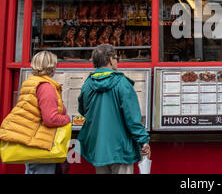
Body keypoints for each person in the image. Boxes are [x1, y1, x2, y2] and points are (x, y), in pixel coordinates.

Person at [77, 44, 151, 174]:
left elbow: (83, 110)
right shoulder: (122, 83)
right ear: (110, 59)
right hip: (121, 150)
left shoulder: (87, 84)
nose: (117, 61)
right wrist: (144, 141)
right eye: (116, 58)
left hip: (98, 149)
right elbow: (133, 118)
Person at [0, 51, 71, 174]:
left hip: (33, 139)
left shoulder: (31, 82)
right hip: (41, 142)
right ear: (51, 67)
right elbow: (50, 119)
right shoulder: (46, 87)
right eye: (55, 65)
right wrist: (67, 119)